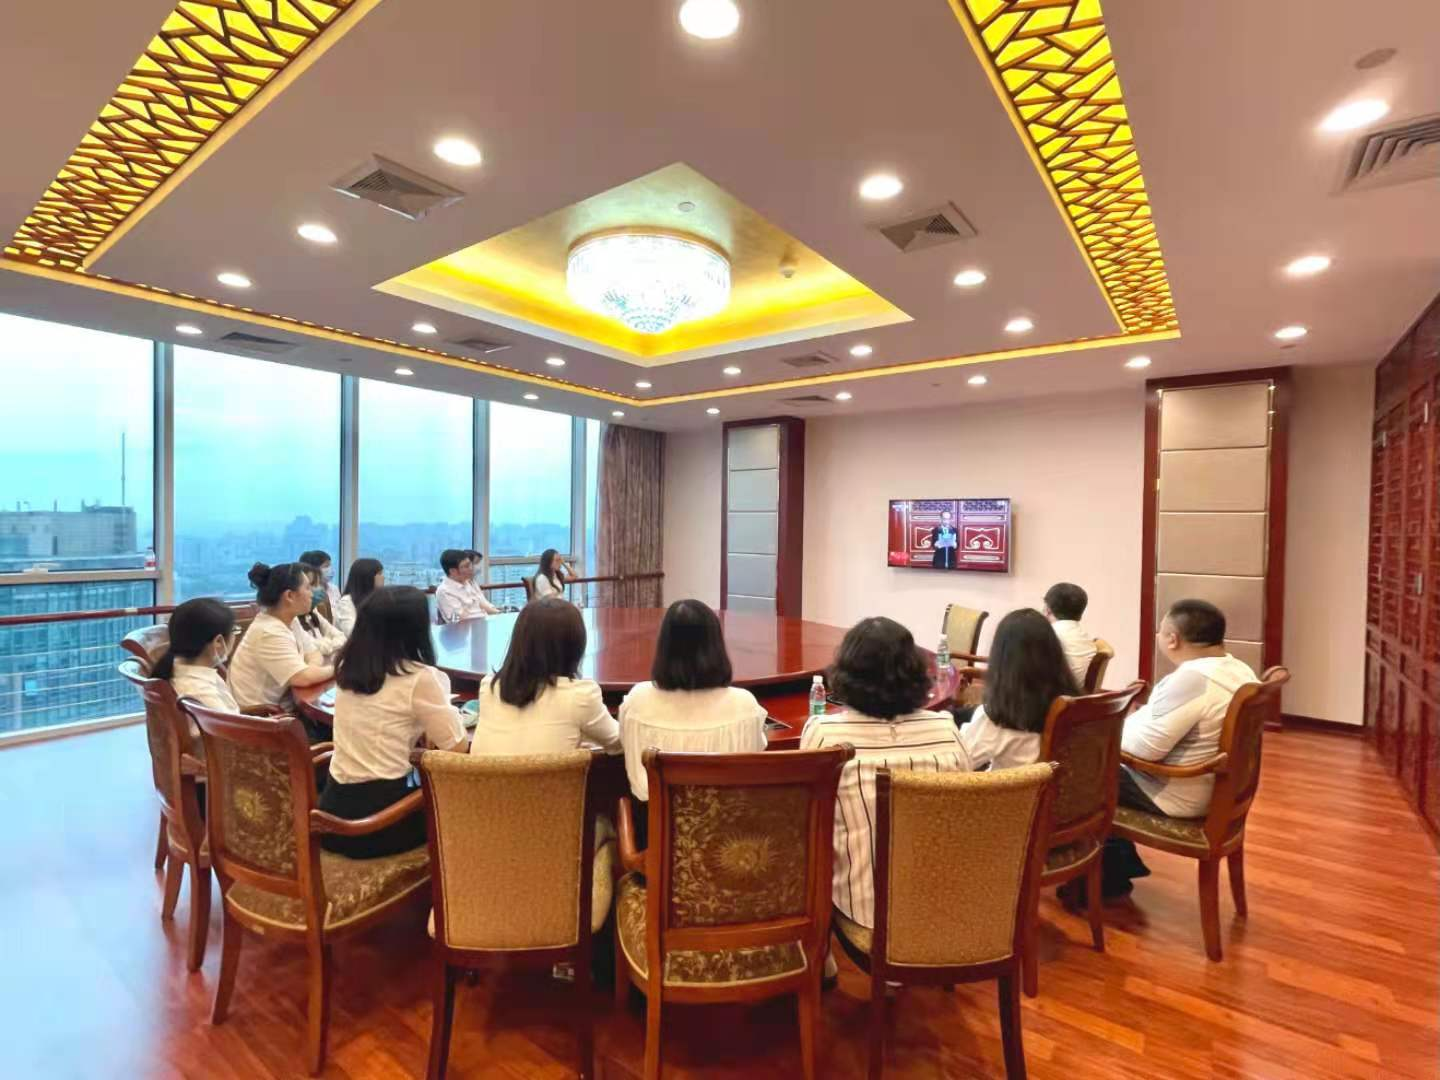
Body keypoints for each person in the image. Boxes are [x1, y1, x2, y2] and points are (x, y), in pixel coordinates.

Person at [800, 616, 967, 932]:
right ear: (916, 671)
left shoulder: (825, 734)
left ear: (845, 675)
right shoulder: (947, 730)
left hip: (865, 912)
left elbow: (806, 822)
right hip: (942, 906)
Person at [1102, 599, 1257, 899]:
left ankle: (1102, 877)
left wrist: (1107, 732)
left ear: (1172, 639)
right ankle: (1116, 866)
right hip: (1219, 790)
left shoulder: (1192, 679)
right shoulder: (1239, 669)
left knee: (1078, 773)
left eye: (1160, 631)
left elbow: (1145, 750)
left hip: (1177, 793)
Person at [320, 586, 467, 858]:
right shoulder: (418, 676)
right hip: (381, 823)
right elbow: (456, 748)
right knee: (464, 806)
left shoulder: (348, 666)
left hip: (333, 812)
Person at [618, 599, 767, 803]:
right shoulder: (744, 704)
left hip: (652, 821)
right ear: (716, 646)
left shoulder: (638, 700)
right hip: (731, 822)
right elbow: (757, 751)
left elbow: (623, 743)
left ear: (664, 646)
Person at [469, 597, 620, 756]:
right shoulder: (580, 696)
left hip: (486, 773)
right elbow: (621, 742)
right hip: (555, 774)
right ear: (575, 646)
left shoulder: (489, 687)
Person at [957, 608, 1078, 771]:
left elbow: (958, 765)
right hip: (1050, 782)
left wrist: (963, 731)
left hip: (1003, 786)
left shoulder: (997, 718)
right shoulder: (1070, 705)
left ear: (1001, 657)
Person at [227, 562, 334, 713]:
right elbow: (302, 678)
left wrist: (311, 670)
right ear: (289, 596)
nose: (312, 594)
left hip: (286, 707)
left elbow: (314, 653)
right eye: (307, 588)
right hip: (264, 718)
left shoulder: (290, 620)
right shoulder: (269, 632)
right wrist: (338, 669)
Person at [153, 596, 241, 715]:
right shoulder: (201, 692)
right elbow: (230, 724)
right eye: (234, 630)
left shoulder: (176, 668)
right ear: (218, 642)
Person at [1044, 582, 1098, 688]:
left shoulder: (1048, 636)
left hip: (1054, 696)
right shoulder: (1085, 637)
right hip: (1076, 694)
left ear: (1048, 610)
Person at [293, 564, 348, 660]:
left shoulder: (313, 612)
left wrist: (326, 644)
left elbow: (341, 636)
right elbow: (316, 647)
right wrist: (329, 643)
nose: (319, 589)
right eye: (311, 585)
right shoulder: (292, 620)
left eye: (319, 584)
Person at [434, 548, 500, 623]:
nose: (471, 568)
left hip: (483, 622)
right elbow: (457, 621)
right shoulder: (444, 591)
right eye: (466, 566)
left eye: (470, 564)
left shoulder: (466, 582)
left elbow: (481, 604)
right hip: (468, 627)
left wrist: (499, 614)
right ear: (453, 571)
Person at [334, 558, 385, 635]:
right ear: (368, 577)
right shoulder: (346, 602)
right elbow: (352, 633)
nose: (383, 578)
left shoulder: (374, 599)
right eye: (380, 574)